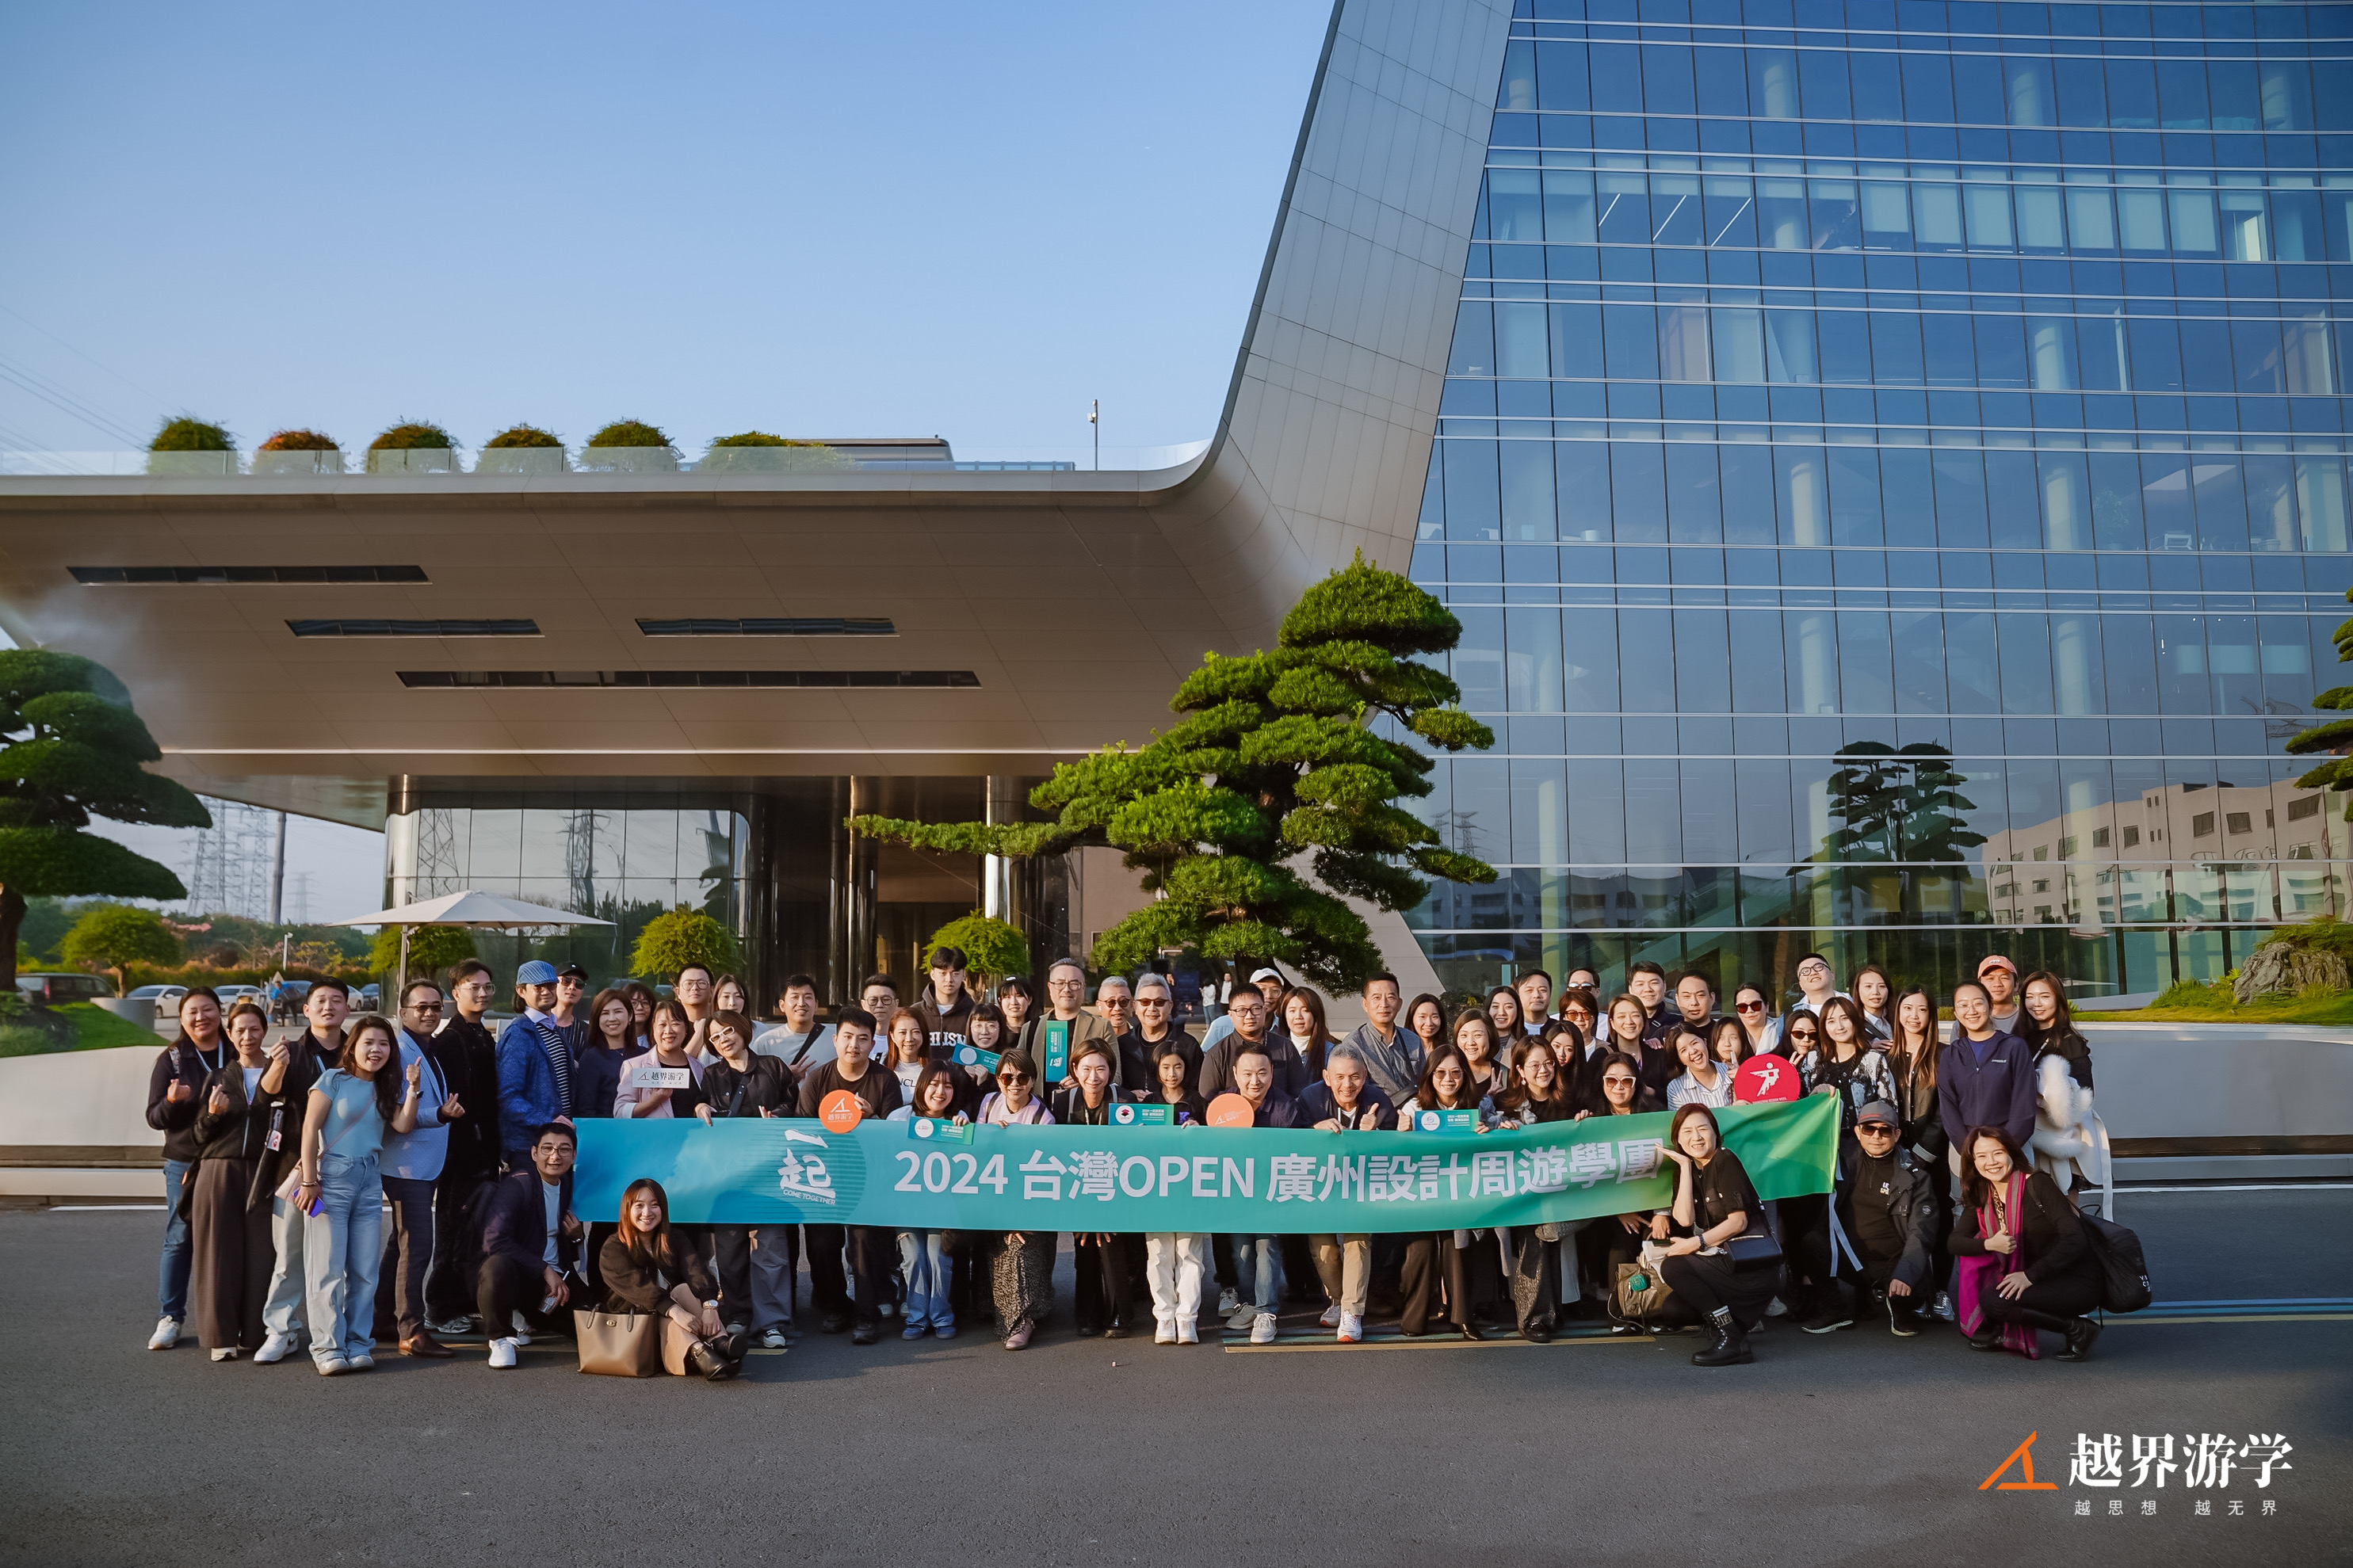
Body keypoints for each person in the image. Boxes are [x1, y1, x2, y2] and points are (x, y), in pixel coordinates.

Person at [294, 1013, 423, 1374]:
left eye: (384, 1044)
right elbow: (309, 1130)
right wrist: (310, 1180)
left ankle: (358, 1343)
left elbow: (402, 1124)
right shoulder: (332, 1080)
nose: (376, 1050)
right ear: (353, 1047)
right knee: (327, 1269)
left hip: (369, 1178)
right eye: (369, 1042)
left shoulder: (385, 1087)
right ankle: (327, 1348)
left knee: (365, 1272)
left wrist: (413, 1089)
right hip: (331, 1176)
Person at [254, 980, 353, 1364]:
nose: (329, 1007)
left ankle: (336, 1330)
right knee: (289, 1257)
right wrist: (278, 1065)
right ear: (307, 1009)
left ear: (347, 1009)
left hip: (344, 1173)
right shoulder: (292, 1052)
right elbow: (264, 1097)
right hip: (295, 1174)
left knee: (337, 1260)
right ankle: (281, 1330)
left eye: (337, 1001)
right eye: (321, 1001)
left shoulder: (358, 1051)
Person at [184, 1000, 287, 1361]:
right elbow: (197, 1136)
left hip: (264, 1170)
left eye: (255, 1029)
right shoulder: (217, 1077)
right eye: (240, 1030)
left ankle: (257, 1333)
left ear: (265, 1031)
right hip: (219, 1171)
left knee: (263, 1254)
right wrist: (213, 1114)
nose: (247, 1036)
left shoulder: (280, 1073)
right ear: (229, 1034)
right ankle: (221, 1337)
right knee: (218, 1255)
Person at [1949, 1125, 2103, 1360]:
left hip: (2075, 1279)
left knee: (1997, 1301)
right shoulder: (1984, 1193)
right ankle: (2005, 1329)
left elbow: (2075, 1239)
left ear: (2011, 1153)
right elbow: (1955, 1243)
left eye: (1998, 1153)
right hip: (2039, 1277)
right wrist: (1990, 1244)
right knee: (1993, 1299)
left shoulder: (2037, 1184)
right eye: (1982, 1156)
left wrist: (2030, 1276)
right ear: (1973, 1163)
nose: (1991, 1162)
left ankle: (2077, 1328)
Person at [795, 1007, 901, 1344]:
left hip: (867, 1177)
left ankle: (867, 1316)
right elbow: (803, 1131)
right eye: (848, 1037)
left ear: (872, 1044)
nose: (854, 1045)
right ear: (835, 1040)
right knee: (821, 1243)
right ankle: (836, 1307)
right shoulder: (817, 1079)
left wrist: (872, 1120)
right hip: (824, 1177)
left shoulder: (885, 1080)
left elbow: (894, 1136)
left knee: (864, 1243)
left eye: (862, 1039)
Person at [693, 1009, 798, 1346]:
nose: (723, 1040)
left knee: (771, 1249)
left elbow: (795, 1105)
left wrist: (778, 1116)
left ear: (741, 1030)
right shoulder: (711, 1074)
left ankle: (773, 1323)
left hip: (770, 1173)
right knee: (730, 1251)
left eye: (727, 1031)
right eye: (715, 1037)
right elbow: (700, 1109)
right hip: (728, 1174)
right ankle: (737, 1315)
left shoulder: (773, 1066)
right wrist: (700, 1107)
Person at [1799, 1099, 1941, 1337]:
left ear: (1897, 1135)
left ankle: (1900, 1308)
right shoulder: (1840, 1164)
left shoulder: (1916, 1177)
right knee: (1812, 1241)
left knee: (1910, 1290)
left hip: (1894, 1262)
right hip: (1852, 1259)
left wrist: (1905, 1273)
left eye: (1885, 1130)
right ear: (1858, 1132)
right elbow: (1806, 1139)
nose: (1876, 1136)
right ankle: (1835, 1310)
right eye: (1869, 1129)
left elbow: (1921, 1233)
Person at [376, 981, 465, 1359]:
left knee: (400, 1245)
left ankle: (380, 1318)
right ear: (403, 1012)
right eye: (421, 1007)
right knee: (416, 1248)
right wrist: (440, 1114)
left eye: (436, 1007)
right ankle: (411, 1330)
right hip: (405, 1164)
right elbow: (399, 1115)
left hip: (422, 1164)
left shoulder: (425, 1048)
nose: (430, 1013)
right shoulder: (399, 1053)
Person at [1656, 1104, 1774, 1367]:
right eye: (1687, 1132)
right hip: (1724, 1260)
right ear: (1677, 1139)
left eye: (1703, 1129)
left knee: (1674, 1267)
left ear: (1715, 1133)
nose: (1696, 1137)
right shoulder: (1688, 1168)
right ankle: (1733, 1324)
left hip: (1751, 1266)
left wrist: (1696, 1243)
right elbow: (1684, 1219)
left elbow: (1738, 1222)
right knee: (1674, 1310)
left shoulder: (1725, 1160)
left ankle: (1732, 1338)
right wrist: (1684, 1167)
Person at [145, 989, 227, 1351]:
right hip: (184, 1162)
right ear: (181, 1018)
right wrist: (171, 1100)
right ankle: (170, 1317)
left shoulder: (236, 1051)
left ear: (220, 1012)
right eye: (192, 1011)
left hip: (228, 1161)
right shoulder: (173, 1059)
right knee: (180, 1238)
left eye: (207, 1009)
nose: (200, 1017)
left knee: (228, 1238)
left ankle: (230, 1316)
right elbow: (154, 1117)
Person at [423, 961, 499, 1340]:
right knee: (452, 1232)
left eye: (488, 987)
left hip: (483, 1152)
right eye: (474, 987)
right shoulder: (450, 1039)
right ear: (455, 993)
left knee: (474, 1232)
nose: (482, 993)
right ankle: (439, 1309)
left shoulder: (482, 1034)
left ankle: (463, 1301)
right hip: (459, 1154)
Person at [473, 1121, 588, 1370]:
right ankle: (500, 1337)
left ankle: (530, 1317)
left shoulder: (566, 1184)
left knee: (593, 1325)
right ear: (534, 1153)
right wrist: (544, 1269)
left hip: (555, 1282)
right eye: (547, 1149)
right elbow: (494, 1240)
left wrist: (577, 1237)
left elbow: (552, 1237)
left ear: (574, 1156)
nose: (555, 1156)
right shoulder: (518, 1185)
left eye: (564, 1150)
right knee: (496, 1266)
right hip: (522, 1277)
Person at [598, 1178, 740, 1379]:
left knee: (683, 1289)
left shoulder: (674, 1238)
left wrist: (710, 1306)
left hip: (675, 1306)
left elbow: (696, 1271)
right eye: (639, 1206)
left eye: (654, 1205)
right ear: (627, 1210)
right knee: (670, 1318)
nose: (647, 1213)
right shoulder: (613, 1248)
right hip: (638, 1320)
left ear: (663, 1209)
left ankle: (720, 1342)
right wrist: (674, 1311)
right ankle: (699, 1352)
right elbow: (638, 1288)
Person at [1296, 1043, 1390, 1344]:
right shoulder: (1309, 1098)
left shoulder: (1378, 1101)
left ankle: (1352, 1311)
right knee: (1321, 1247)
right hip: (1321, 1184)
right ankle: (1338, 1299)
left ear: (1365, 1076)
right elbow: (1289, 1139)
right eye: (1339, 1077)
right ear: (1327, 1077)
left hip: (1361, 1187)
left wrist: (1376, 1134)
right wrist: (1314, 1129)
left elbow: (1398, 1148)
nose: (1347, 1085)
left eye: (1355, 1077)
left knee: (1357, 1241)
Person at [1486, 1042, 1580, 1340]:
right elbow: (1485, 1138)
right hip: (1522, 1194)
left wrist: (1584, 1123)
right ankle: (1535, 1319)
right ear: (1520, 1070)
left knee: (1549, 1233)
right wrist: (1498, 1127)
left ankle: (1549, 1313)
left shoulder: (1568, 1101)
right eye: (1535, 1065)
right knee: (1535, 1235)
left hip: (1566, 1191)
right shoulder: (1505, 1103)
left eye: (1549, 1063)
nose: (1544, 1070)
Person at [1395, 1047, 1481, 1340]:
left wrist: (1490, 1131)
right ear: (1429, 1077)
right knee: (1420, 1250)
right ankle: (1415, 1317)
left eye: (1456, 1072)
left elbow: (1498, 1141)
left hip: (1461, 1195)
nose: (1448, 1079)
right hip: (1421, 1194)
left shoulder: (1478, 1106)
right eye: (1441, 1073)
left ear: (1465, 1076)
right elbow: (1398, 1154)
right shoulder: (1414, 1107)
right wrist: (1402, 1134)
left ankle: (1462, 1317)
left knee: (1456, 1246)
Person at [1052, 1040, 1136, 1338]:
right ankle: (1087, 1314)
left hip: (1116, 1185)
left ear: (1110, 1071)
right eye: (1086, 1069)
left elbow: (1132, 1152)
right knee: (1085, 1243)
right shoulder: (1062, 1102)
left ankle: (1120, 1315)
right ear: (1074, 1069)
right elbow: (1056, 1152)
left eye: (1101, 1069)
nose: (1093, 1076)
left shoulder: (1125, 1099)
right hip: (1077, 1185)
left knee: (1110, 1244)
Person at [1221, 1045, 1301, 1345]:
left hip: (1272, 1193)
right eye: (1247, 1073)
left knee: (1267, 1245)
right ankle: (1249, 1305)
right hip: (1235, 1193)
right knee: (1241, 1250)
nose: (1255, 1081)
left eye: (1262, 1073)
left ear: (1272, 1073)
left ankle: (1267, 1311)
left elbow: (1296, 1154)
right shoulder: (1222, 1105)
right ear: (1235, 1074)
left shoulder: (1286, 1108)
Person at [976, 1047, 1055, 1349]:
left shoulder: (1042, 1117)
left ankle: (1023, 1320)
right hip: (992, 1198)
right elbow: (976, 1153)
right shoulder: (988, 1103)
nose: (1015, 1084)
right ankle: (992, 1307)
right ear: (998, 1079)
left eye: (1022, 1078)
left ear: (1032, 1080)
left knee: (1018, 1246)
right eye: (1007, 1077)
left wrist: (1018, 1217)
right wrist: (988, 1134)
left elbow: (1043, 1172)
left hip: (1029, 1203)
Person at [1884, 985, 1953, 1321]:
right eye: (1908, 1009)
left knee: (1938, 1219)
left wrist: (1923, 1153)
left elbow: (1946, 1110)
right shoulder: (1888, 1057)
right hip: (1895, 1151)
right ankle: (1916, 1290)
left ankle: (1941, 1291)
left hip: (1932, 1154)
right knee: (1904, 1222)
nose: (1914, 1016)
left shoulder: (1944, 1055)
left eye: (1922, 1009)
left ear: (1931, 1015)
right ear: (1897, 1013)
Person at [885, 1062, 967, 1340]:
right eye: (934, 1084)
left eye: (948, 1086)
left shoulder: (958, 1120)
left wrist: (964, 1130)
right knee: (914, 1257)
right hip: (906, 1208)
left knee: (938, 1259)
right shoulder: (899, 1118)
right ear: (922, 1086)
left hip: (942, 1209)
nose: (940, 1092)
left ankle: (942, 1317)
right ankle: (917, 1318)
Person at [1140, 1044, 1209, 1343]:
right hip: (1155, 1189)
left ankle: (1187, 1318)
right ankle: (1165, 1317)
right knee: (1159, 1254)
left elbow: (1215, 1143)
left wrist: (1200, 1130)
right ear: (1157, 1070)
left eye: (1178, 1067)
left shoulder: (1199, 1101)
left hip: (1190, 1189)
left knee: (1189, 1254)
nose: (1172, 1074)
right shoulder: (1148, 1103)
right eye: (1166, 1067)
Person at [1936, 979, 2038, 1169]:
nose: (1972, 1010)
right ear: (1955, 1012)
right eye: (1963, 1005)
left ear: (1990, 1006)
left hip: (2012, 1151)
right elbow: (1948, 1109)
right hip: (1966, 1154)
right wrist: (1972, 1151)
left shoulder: (2014, 1047)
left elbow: (2024, 1106)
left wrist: (2001, 1150)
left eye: (1978, 1003)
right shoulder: (1950, 1055)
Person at [2019, 970, 2105, 1194]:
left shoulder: (2069, 1040)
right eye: (2030, 997)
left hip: (2059, 1136)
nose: (2036, 1003)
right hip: (2026, 1133)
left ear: (2058, 998)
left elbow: (2085, 1093)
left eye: (2045, 996)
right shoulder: (2018, 1037)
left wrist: (2051, 1093)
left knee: (2065, 1202)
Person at [496, 960, 572, 1168]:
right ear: (521, 991)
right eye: (538, 987)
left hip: (556, 1142)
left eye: (550, 985)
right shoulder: (519, 1033)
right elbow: (508, 1096)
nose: (546, 991)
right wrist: (548, 1121)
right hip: (529, 1146)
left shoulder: (553, 1029)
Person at [1196, 983, 1308, 1098]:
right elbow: (1208, 1098)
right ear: (1231, 1015)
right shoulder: (1218, 1054)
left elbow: (1299, 1094)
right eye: (1241, 1010)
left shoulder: (1285, 1047)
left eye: (1256, 1009)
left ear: (1264, 1010)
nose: (1249, 1016)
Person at [614, 1000, 708, 1119]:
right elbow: (620, 1112)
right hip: (654, 1131)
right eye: (662, 1025)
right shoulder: (635, 1066)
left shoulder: (699, 1068)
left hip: (694, 1131)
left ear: (686, 1029)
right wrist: (653, 1102)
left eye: (675, 1024)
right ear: (653, 1029)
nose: (668, 1031)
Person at [1339, 972, 1420, 1104]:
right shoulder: (1353, 1044)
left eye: (1390, 997)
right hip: (1374, 1113)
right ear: (1365, 1004)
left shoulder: (1413, 1040)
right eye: (1376, 998)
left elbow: (1425, 1084)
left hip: (1413, 1111)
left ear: (1399, 1003)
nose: (1384, 1004)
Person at [1030, 959, 1113, 1083]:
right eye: (1060, 983)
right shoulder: (1031, 1028)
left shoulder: (1102, 1027)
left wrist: (1085, 1082)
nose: (1067, 989)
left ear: (1083, 987)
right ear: (1050, 987)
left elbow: (1116, 1076)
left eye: (1074, 984)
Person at [1127, 973, 1200, 1094]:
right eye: (1145, 1002)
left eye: (1159, 1002)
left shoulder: (1188, 1045)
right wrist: (1129, 1095)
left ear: (1170, 1006)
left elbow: (1197, 1093)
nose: (1152, 1008)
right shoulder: (1123, 1045)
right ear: (1135, 1006)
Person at [571, 986, 636, 1123]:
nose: (612, 1018)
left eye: (618, 1012)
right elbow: (585, 1110)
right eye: (605, 1013)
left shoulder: (645, 1055)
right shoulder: (591, 1058)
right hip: (605, 1129)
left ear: (630, 1016)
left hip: (643, 1129)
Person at [751, 973, 834, 1072]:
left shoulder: (835, 1039)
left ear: (816, 1005)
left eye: (808, 997)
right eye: (795, 997)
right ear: (782, 1005)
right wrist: (786, 1076)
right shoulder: (766, 1043)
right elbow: (755, 1079)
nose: (801, 1003)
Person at [1599, 993, 1674, 1101]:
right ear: (1612, 1023)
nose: (1629, 1022)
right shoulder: (1602, 1055)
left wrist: (1651, 1091)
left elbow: (1673, 1094)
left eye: (1635, 1016)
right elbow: (1591, 1096)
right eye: (1621, 1017)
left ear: (1644, 1020)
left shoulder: (1658, 1054)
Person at [1199, 964, 1289, 1051]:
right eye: (1262, 990)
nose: (1268, 996)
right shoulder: (1221, 1026)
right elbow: (1204, 1056)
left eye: (1275, 991)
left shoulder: (1286, 1028)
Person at [909, 946, 975, 1053]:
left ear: (964, 975)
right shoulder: (915, 1013)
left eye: (955, 974)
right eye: (943, 973)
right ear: (933, 974)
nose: (949, 979)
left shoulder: (974, 1013)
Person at [1665, 1024, 1736, 1110]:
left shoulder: (1731, 1071)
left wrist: (1742, 1079)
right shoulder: (1675, 1088)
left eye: (1695, 1043)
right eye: (1684, 1050)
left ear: (1705, 1042)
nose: (1693, 1051)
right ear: (1679, 1059)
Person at [1453, 1008, 1511, 1102]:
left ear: (1490, 1037)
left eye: (1478, 1035)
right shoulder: (1449, 1072)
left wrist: (1495, 1100)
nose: (1470, 1042)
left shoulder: (1505, 1075)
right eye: (1464, 1036)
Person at [1278, 986, 1335, 1075]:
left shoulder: (1330, 1052)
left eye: (1305, 1010)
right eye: (1292, 1011)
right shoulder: (1274, 1048)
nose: (1298, 1016)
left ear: (1316, 1014)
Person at [883, 1007, 933, 1100]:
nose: (909, 1039)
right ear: (892, 1036)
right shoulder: (878, 1063)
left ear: (924, 1034)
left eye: (916, 1032)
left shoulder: (934, 1070)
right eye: (903, 1033)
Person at [1787, 952, 1847, 1023]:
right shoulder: (1788, 1017)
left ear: (1832, 975)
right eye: (1805, 971)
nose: (1813, 973)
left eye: (1818, 967)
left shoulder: (1854, 1004)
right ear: (1801, 985)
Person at [1668, 971, 1722, 1045]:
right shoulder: (1665, 1035)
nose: (1694, 1003)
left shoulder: (1723, 1034)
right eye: (1687, 996)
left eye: (1700, 995)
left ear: (1712, 998)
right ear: (1677, 999)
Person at [1730, 982, 1783, 1056]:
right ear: (1737, 1011)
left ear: (1767, 1007)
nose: (1750, 1011)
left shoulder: (1782, 1031)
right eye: (1742, 1007)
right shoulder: (1729, 1034)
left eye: (1755, 1005)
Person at [1977, 954, 2023, 1035]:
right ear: (1979, 986)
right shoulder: (1969, 1022)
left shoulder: (2030, 1019)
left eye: (2004, 978)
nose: (1997, 984)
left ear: (2016, 985)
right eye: (1990, 978)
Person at [552, 963, 590, 1055]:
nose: (572, 987)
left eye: (579, 983)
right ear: (553, 984)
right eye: (566, 981)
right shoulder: (535, 1024)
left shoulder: (587, 1032)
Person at [1851, 963, 1894, 1042]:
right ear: (1858, 990)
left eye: (1881, 986)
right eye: (1868, 986)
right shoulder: (1851, 1024)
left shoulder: (1899, 1019)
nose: (1876, 992)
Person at [1625, 960, 1670, 1036]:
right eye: (1640, 984)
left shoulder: (1679, 1022)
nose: (1648, 989)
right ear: (1630, 990)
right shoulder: (1622, 1024)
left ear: (1664, 986)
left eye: (1654, 983)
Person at [858, 974, 900, 1054]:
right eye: (873, 1000)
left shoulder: (905, 1040)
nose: (879, 1005)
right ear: (863, 1004)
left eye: (886, 1000)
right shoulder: (855, 1040)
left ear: (896, 1003)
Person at [996, 976, 1038, 1052]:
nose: (1013, 1002)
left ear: (1029, 1000)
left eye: (1019, 996)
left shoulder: (1038, 1029)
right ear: (1000, 1001)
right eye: (1007, 997)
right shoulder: (995, 1030)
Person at [1513, 968, 1555, 1041]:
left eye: (1542, 990)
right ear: (1518, 996)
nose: (1536, 995)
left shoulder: (1561, 1029)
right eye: (1529, 990)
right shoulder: (1510, 1030)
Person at [1484, 985, 1526, 1049]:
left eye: (1508, 1007)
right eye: (1495, 1007)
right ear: (1488, 1009)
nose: (1502, 1013)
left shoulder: (1527, 1044)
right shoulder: (1478, 1044)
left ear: (1518, 1011)